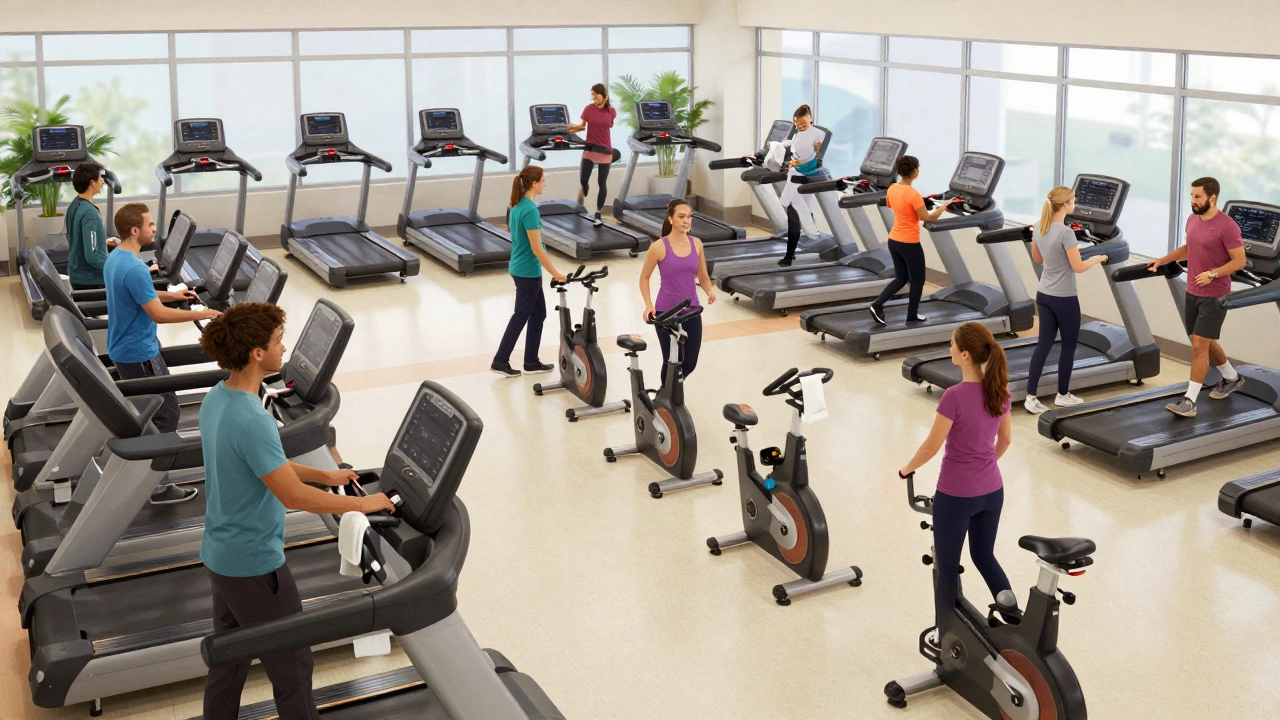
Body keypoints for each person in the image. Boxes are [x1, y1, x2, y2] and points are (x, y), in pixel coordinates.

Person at [198, 302, 395, 720]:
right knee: (293, 666)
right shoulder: (253, 419)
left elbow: (267, 468)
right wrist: (362, 503)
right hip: (255, 565)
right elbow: (292, 497)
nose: (283, 348)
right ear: (256, 354)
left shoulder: (218, 398)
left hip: (222, 555)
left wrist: (327, 477)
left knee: (231, 662)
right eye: (275, 342)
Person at [897, 322, 1018, 648]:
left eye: (952, 345)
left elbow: (930, 447)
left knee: (947, 567)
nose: (949, 348)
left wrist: (906, 470)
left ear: (964, 355)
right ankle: (1015, 615)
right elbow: (1005, 440)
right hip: (993, 491)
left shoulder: (954, 397)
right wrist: (985, 464)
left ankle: (942, 632)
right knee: (984, 555)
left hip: (956, 495)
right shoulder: (1000, 390)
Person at [105, 202, 222, 503]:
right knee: (166, 415)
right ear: (135, 230)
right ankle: (155, 487)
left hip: (125, 348)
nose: (155, 229)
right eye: (150, 225)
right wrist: (202, 313)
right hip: (140, 354)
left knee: (151, 413)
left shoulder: (117, 258)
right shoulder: (134, 267)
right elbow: (158, 315)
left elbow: (142, 295)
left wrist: (173, 294)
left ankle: (146, 475)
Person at [1147, 177, 1248, 418]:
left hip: (1215, 295)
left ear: (1212, 197)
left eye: (1197, 196)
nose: (1193, 201)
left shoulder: (1227, 226)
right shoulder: (1193, 218)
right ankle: (1232, 378)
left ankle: (1189, 401)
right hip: (1192, 291)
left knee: (1198, 346)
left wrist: (1213, 273)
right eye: (1192, 196)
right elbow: (1189, 248)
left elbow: (1239, 261)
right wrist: (1164, 259)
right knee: (1205, 340)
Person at [1023, 187, 1109, 414]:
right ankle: (1062, 395)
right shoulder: (1066, 233)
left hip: (1044, 294)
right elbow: (1078, 267)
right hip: (1064, 297)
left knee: (1044, 344)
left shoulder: (1039, 226)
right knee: (1068, 346)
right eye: (1073, 200)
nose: (1075, 202)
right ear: (1066, 204)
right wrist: (1098, 258)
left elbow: (1038, 259)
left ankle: (1030, 397)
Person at [492, 165, 566, 378]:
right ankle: (500, 360)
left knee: (538, 314)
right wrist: (555, 272)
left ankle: (531, 361)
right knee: (521, 316)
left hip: (521, 268)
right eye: (543, 180)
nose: (545, 184)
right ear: (534, 183)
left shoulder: (517, 206)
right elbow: (536, 247)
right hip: (527, 271)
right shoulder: (530, 210)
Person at [868, 156, 959, 325]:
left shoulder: (893, 188)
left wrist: (919, 204)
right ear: (915, 172)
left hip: (894, 240)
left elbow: (893, 204)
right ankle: (912, 315)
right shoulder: (913, 194)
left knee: (901, 278)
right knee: (918, 280)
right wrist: (943, 206)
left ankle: (877, 304)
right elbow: (927, 218)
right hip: (909, 242)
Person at [638, 198, 717, 384]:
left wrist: (709, 291)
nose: (686, 220)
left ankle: (671, 394)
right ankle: (665, 399)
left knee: (690, 362)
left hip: (691, 310)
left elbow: (703, 274)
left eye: (689, 217)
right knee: (672, 360)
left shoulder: (696, 243)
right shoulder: (658, 247)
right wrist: (648, 305)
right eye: (681, 216)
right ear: (670, 219)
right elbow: (644, 277)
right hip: (666, 312)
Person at [777, 104, 830, 267]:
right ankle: (790, 254)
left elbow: (817, 159)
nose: (800, 127)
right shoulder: (798, 134)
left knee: (797, 209)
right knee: (795, 214)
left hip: (808, 172)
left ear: (811, 118)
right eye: (797, 126)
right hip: (797, 173)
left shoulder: (819, 134)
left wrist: (800, 164)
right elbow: (795, 150)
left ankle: (806, 234)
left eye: (803, 124)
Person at [567, 83, 617, 227]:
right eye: (592, 96)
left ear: (605, 96)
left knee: (602, 183)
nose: (594, 99)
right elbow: (582, 126)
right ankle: (582, 199)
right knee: (583, 180)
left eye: (597, 96)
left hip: (605, 151)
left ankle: (598, 213)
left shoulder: (612, 112)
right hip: (590, 149)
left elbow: (608, 126)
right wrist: (568, 131)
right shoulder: (588, 109)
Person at [66, 162, 114, 290]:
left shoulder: (74, 205)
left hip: (76, 274)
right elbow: (93, 255)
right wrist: (117, 268)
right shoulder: (90, 213)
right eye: (100, 178)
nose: (103, 181)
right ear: (92, 182)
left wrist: (103, 242)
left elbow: (79, 239)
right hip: (91, 280)